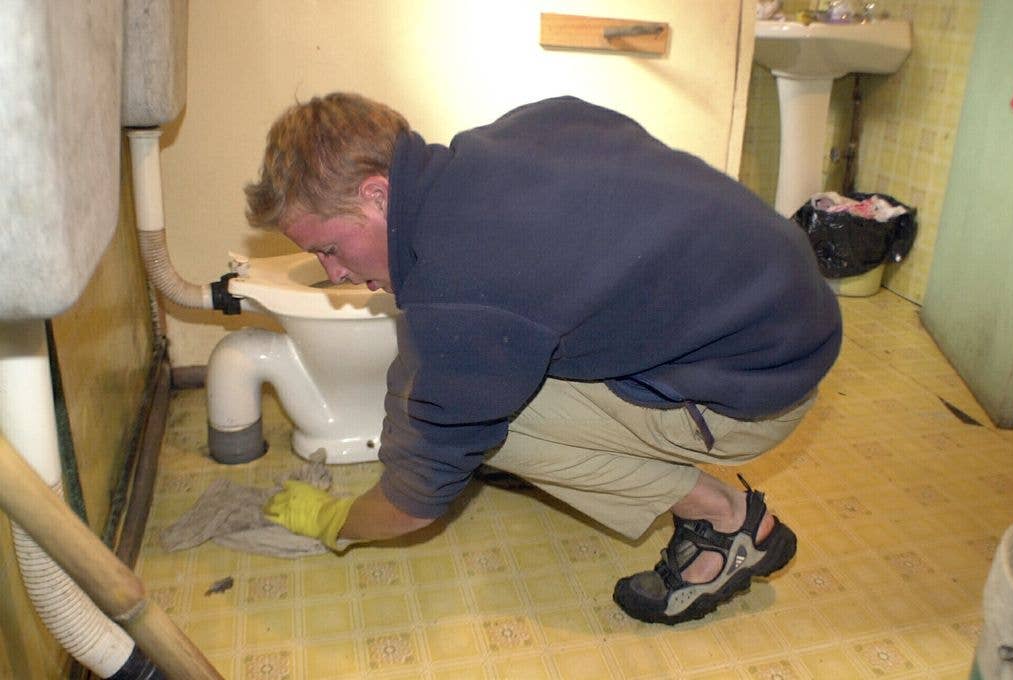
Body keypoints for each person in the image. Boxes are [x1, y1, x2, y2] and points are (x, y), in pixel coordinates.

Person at [253, 92, 842, 625]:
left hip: (758, 393)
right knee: (476, 388)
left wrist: (339, 523)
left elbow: (414, 504)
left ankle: (726, 522)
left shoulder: (465, 285)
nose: (334, 275)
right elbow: (431, 347)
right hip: (789, 311)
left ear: (376, 195)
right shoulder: (507, 140)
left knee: (496, 428)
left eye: (328, 249)